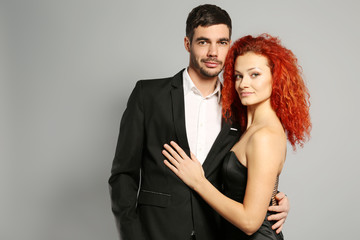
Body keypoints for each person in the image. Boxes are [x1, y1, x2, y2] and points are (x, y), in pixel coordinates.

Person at [109, 5, 290, 240]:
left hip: (217, 234)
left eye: (222, 43)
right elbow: (123, 175)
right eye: (204, 42)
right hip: (158, 233)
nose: (214, 52)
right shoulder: (148, 96)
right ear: (187, 44)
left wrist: (273, 199)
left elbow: (246, 174)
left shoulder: (241, 111)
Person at [163, 34, 311, 239]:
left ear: (276, 79)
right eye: (238, 76)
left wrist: (199, 182)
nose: (243, 84)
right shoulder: (247, 128)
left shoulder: (265, 136)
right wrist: (275, 198)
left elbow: (250, 222)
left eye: (255, 74)